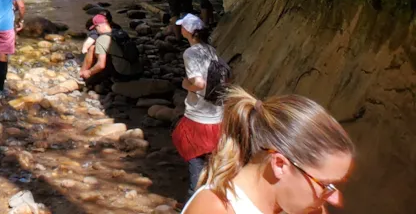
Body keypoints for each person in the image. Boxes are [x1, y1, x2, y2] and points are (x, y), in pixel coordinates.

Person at [181, 88, 353, 214]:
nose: (336, 199)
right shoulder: (214, 209)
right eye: (325, 185)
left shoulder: (305, 207)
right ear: (280, 165)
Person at [174, 14, 226, 196]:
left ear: (187, 31)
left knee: (194, 159)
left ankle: (193, 202)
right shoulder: (210, 50)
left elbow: (198, 83)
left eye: (182, 27)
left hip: (199, 116)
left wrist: (184, 84)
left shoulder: (190, 53)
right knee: (211, 161)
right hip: (216, 114)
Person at [78, 12, 142, 90]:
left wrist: (89, 72)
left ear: (98, 26)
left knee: (93, 48)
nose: (96, 31)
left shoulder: (102, 39)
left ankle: (82, 77)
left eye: (95, 28)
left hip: (123, 76)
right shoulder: (121, 32)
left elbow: (101, 65)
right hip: (138, 72)